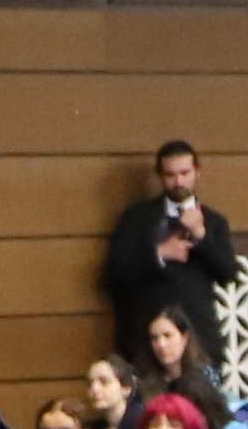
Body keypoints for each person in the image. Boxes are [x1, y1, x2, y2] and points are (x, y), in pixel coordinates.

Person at [99, 138, 239, 353]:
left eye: (185, 173)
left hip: (199, 338)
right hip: (147, 341)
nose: (179, 182)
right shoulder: (136, 218)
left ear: (197, 172)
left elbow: (227, 273)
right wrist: (159, 254)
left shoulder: (214, 221)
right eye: (171, 175)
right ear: (160, 175)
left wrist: (201, 236)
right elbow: (115, 273)